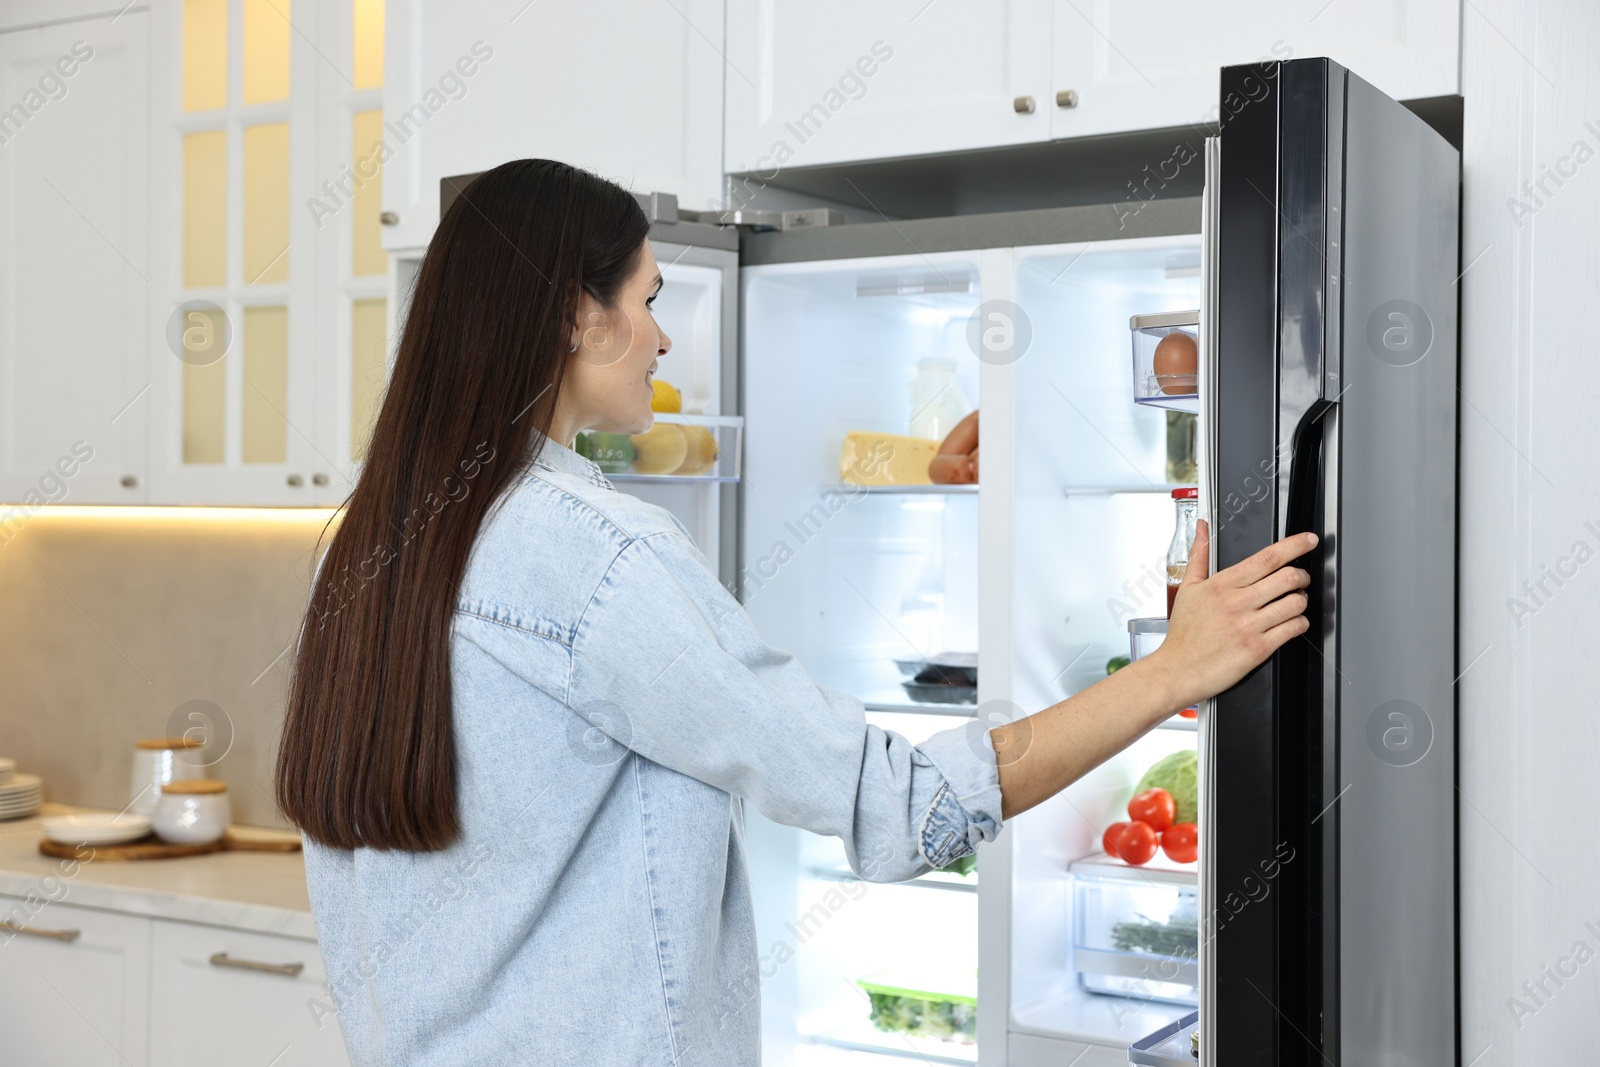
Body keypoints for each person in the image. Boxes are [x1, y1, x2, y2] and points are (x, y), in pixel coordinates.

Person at [275, 159, 1316, 1067]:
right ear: (574, 314)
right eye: (646, 297)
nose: (663, 336)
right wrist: (1171, 669)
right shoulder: (598, 555)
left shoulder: (372, 548)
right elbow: (900, 808)